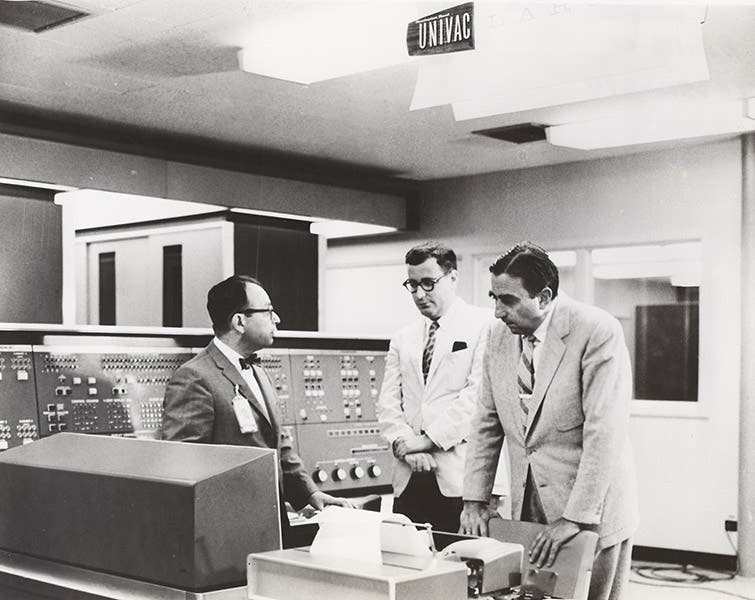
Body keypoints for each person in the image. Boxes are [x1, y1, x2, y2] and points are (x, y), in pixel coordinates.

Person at [460, 242, 638, 600]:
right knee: (534, 596)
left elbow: (604, 432)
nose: (497, 311)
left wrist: (574, 518)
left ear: (543, 297)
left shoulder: (596, 330)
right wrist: (474, 500)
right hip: (529, 503)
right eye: (493, 298)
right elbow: (486, 422)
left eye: (507, 300)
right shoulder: (497, 336)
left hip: (589, 505)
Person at [161, 274, 351, 546]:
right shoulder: (195, 377)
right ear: (239, 321)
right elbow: (183, 464)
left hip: (272, 526)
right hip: (226, 534)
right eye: (269, 311)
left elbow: (278, 446)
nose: (277, 319)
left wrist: (310, 494)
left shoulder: (260, 373)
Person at [378, 242, 491, 533]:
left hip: (459, 480)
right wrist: (406, 448)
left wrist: (428, 440)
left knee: (461, 567)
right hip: (409, 478)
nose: (419, 294)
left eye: (428, 283)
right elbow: (388, 404)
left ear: (452, 278)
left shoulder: (485, 326)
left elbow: (477, 397)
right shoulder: (403, 338)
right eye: (412, 284)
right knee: (407, 566)